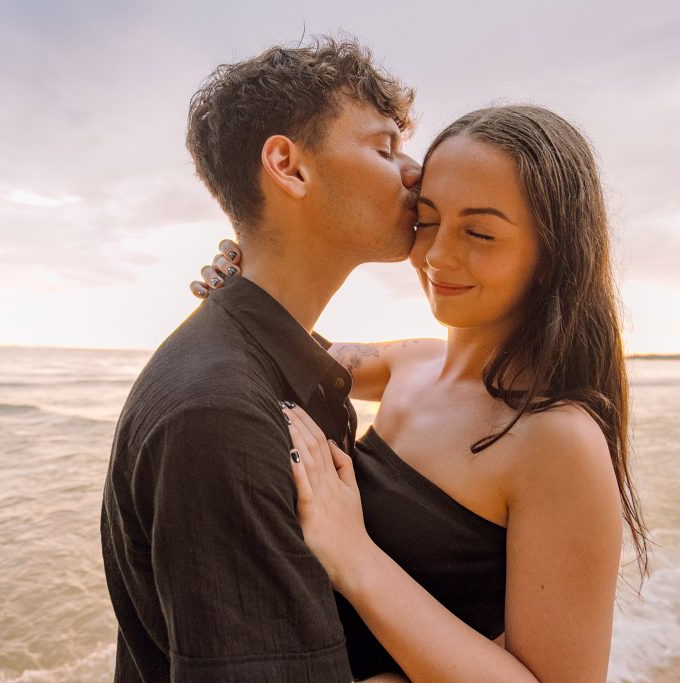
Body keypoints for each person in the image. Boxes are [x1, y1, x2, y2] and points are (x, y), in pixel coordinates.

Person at [191, 105, 651, 681]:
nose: (437, 256)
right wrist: (243, 288)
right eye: (427, 220)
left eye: (479, 232)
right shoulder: (410, 364)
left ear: (552, 255)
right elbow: (289, 352)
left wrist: (353, 555)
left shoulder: (557, 441)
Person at [100, 37, 421, 682]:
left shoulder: (264, 362)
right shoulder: (221, 415)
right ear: (289, 166)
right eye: (384, 148)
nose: (414, 171)